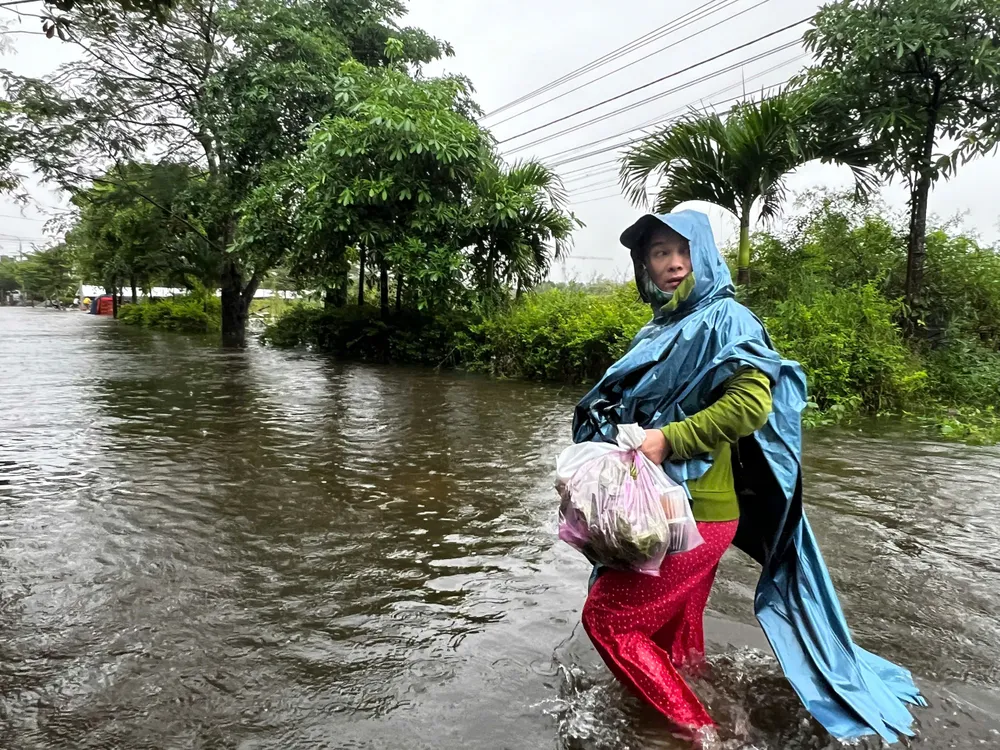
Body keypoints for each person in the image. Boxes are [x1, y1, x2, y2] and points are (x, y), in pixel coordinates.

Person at [572, 210, 923, 743]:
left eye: (681, 250)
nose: (671, 263)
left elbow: (751, 404)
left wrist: (668, 439)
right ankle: (702, 706)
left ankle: (696, 733)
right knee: (675, 639)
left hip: (695, 514)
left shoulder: (729, 319)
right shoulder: (660, 329)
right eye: (658, 253)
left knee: (610, 622)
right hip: (662, 508)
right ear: (645, 264)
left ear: (706, 255)